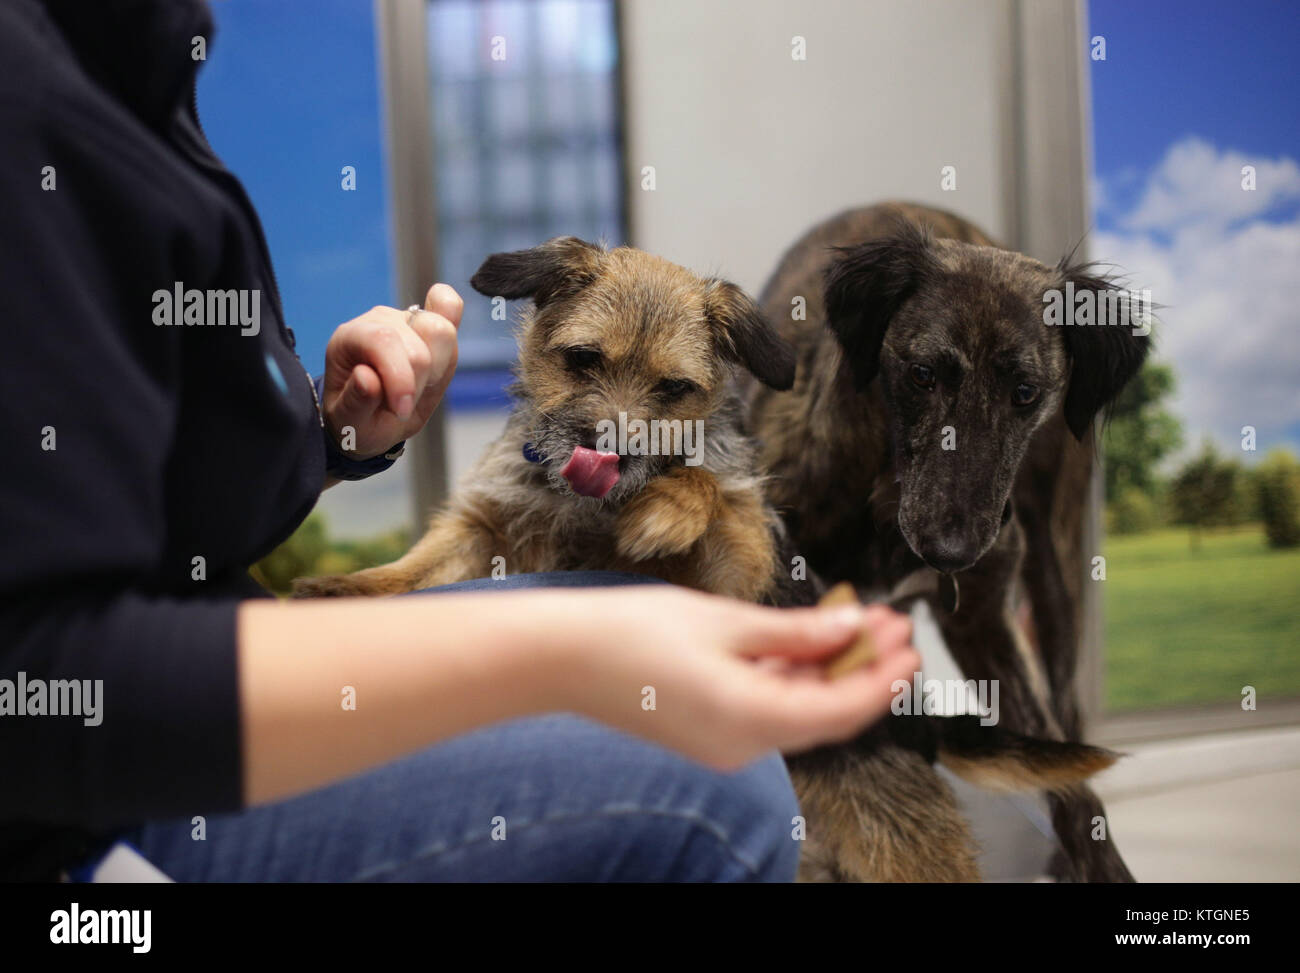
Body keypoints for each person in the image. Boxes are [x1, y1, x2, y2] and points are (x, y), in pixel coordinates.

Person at [0, 0, 920, 882]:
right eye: (583, 364)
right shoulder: (37, 96)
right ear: (533, 332)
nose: (615, 424)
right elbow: (45, 678)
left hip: (194, 667)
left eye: (669, 392)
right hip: (85, 825)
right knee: (725, 793)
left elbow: (133, 485)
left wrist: (323, 433)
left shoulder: (129, 68)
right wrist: (565, 653)